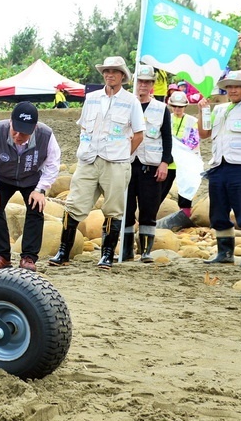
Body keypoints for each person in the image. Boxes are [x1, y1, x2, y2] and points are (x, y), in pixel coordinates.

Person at [48, 56, 144, 270]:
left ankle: (107, 255)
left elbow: (139, 134)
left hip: (116, 163)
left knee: (114, 209)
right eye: (107, 70)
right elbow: (83, 127)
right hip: (89, 160)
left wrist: (122, 154)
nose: (110, 74)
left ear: (122, 76)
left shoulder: (131, 101)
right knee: (73, 204)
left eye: (115, 71)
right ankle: (64, 251)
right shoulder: (91, 98)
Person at [199, 36, 241, 268]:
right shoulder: (221, 109)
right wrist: (203, 111)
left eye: (237, 86)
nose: (233, 90)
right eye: (230, 87)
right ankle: (224, 253)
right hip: (218, 166)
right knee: (218, 212)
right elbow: (205, 134)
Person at [0, 102, 61, 273]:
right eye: (15, 130)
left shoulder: (46, 135)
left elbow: (53, 164)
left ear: (34, 128)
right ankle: (1, 256)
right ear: (10, 121)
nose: (17, 135)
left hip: (31, 177)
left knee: (36, 208)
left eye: (24, 132)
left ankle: (28, 257)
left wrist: (41, 189)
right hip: (2, 176)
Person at [122, 66, 171, 263]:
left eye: (147, 82)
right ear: (134, 82)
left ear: (152, 85)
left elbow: (167, 138)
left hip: (150, 166)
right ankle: (126, 250)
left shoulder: (161, 109)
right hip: (126, 163)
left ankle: (145, 251)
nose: (143, 85)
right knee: (125, 208)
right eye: (140, 81)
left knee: (149, 209)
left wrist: (165, 163)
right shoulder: (125, 105)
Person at [157, 90, 197, 228]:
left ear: (185, 106)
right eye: (174, 106)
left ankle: (185, 216)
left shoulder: (192, 121)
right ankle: (150, 215)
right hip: (169, 163)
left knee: (186, 189)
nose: (177, 109)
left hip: (184, 163)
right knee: (160, 190)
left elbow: (194, 141)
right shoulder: (165, 118)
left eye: (180, 106)